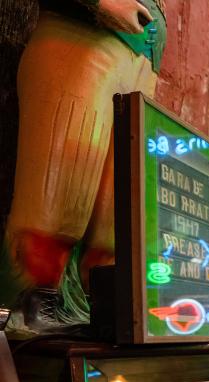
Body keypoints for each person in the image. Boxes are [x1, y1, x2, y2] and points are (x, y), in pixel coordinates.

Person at [1, 0, 166, 333]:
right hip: (81, 40)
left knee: (116, 205)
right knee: (64, 178)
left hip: (139, 61)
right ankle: (35, 299)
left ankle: (93, 302)